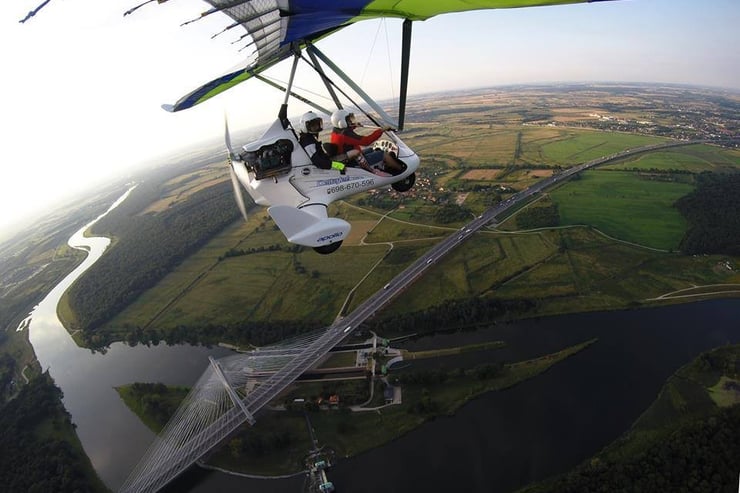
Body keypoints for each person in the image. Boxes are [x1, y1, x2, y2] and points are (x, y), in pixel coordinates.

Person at [329, 109, 404, 175]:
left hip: (350, 157)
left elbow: (347, 131)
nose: (350, 121)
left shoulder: (336, 131)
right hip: (353, 162)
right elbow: (366, 141)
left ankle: (386, 166)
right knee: (382, 154)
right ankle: (401, 170)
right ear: (341, 122)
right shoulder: (345, 135)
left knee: (372, 150)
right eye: (348, 120)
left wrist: (354, 126)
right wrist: (381, 130)